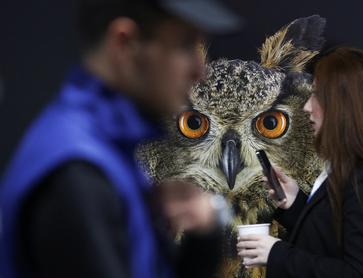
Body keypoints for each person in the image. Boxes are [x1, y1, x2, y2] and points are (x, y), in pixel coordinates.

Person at [0, 0, 241, 278]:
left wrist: (202, 240)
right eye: (185, 45)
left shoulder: (106, 150)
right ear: (124, 44)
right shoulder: (76, 172)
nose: (200, 71)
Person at [237, 46, 363, 277]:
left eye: (316, 95)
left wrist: (276, 253)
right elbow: (332, 241)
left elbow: (361, 274)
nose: (306, 107)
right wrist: (295, 205)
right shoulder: (350, 170)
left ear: (344, 106)